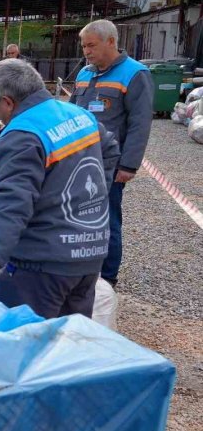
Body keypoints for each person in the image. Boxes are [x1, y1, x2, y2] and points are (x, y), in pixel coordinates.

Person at [0, 59, 120, 318]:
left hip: (40, 266)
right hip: (88, 256)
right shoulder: (79, 115)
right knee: (66, 346)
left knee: (20, 346)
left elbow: (12, 206)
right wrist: (87, 200)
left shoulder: (23, 135)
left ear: (7, 102)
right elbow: (110, 151)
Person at [70, 19, 153, 287]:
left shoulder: (134, 74)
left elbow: (141, 123)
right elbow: (70, 113)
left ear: (111, 42)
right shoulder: (85, 74)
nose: (86, 51)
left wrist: (129, 165)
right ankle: (81, 269)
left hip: (110, 164)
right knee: (77, 217)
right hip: (77, 160)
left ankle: (107, 278)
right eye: (84, 46)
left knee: (107, 220)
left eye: (91, 45)